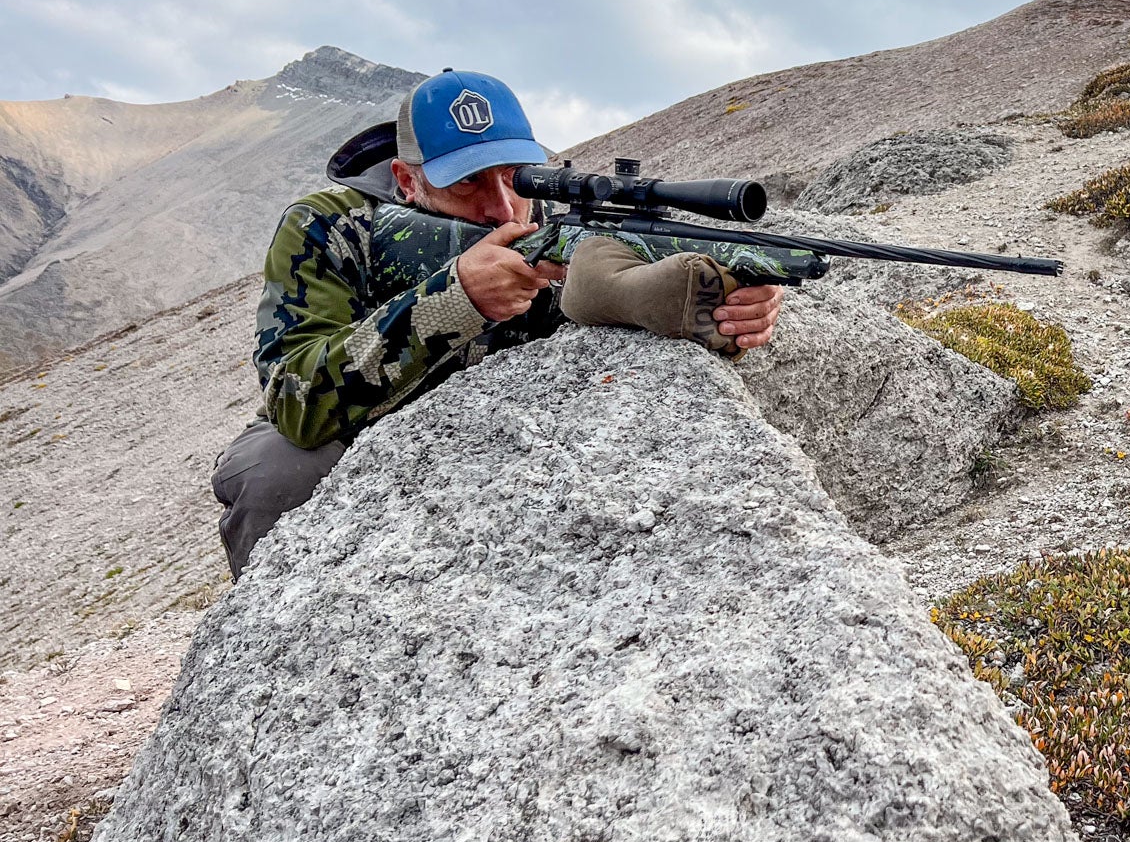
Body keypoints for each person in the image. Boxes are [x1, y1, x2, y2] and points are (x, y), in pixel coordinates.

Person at [210, 68, 782, 577]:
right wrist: (456, 298)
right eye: (467, 183)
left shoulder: (559, 229)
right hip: (350, 424)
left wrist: (724, 311)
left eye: (516, 177)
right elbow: (294, 397)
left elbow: (621, 313)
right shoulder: (330, 226)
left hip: (497, 433)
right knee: (272, 473)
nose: (502, 209)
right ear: (407, 181)